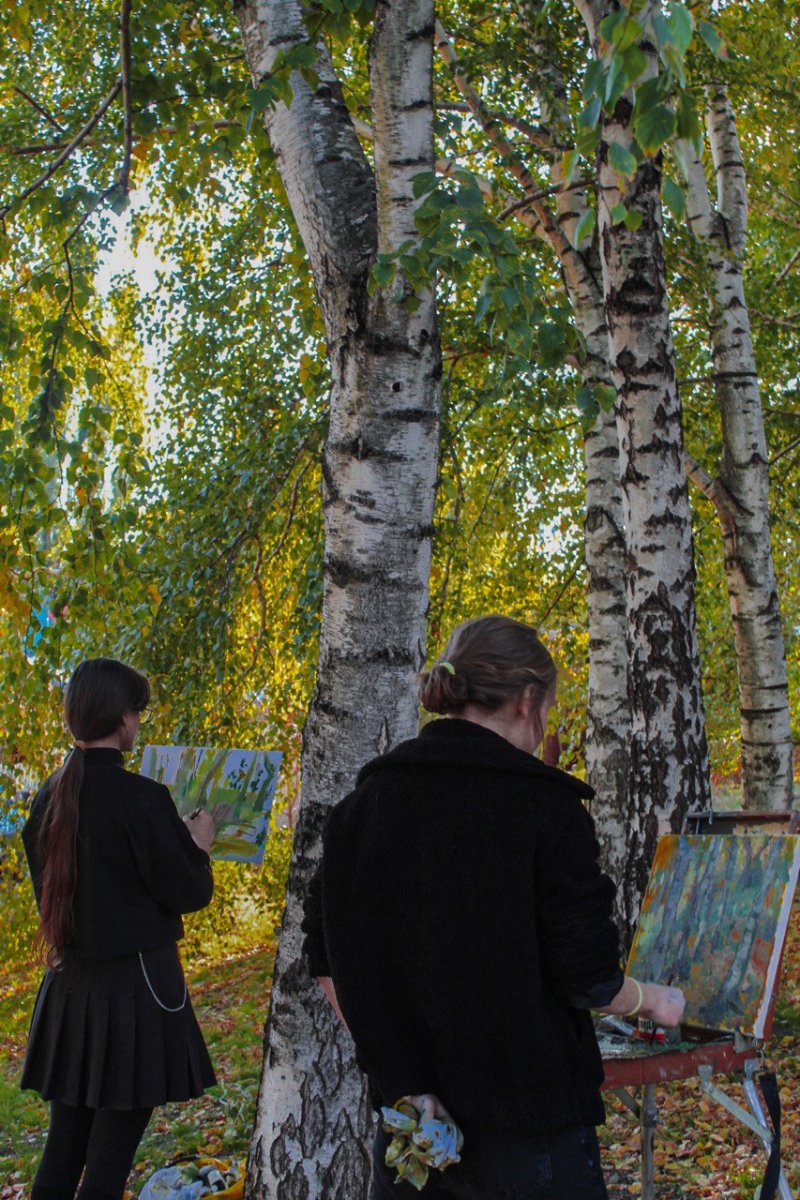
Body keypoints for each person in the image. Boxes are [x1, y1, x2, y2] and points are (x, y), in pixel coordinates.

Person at [302, 615, 685, 1199]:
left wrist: (400, 1073)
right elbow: (588, 978)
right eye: (548, 709)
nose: (543, 726)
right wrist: (657, 1001)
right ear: (527, 699)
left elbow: (327, 960)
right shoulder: (545, 808)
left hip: (416, 1132)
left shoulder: (364, 807)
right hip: (528, 1137)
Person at [21, 658, 217, 1200]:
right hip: (137, 993)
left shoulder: (49, 796)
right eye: (137, 712)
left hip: (70, 990)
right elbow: (189, 893)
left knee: (63, 1150)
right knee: (106, 1166)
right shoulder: (141, 798)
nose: (138, 723)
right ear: (121, 717)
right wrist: (198, 846)